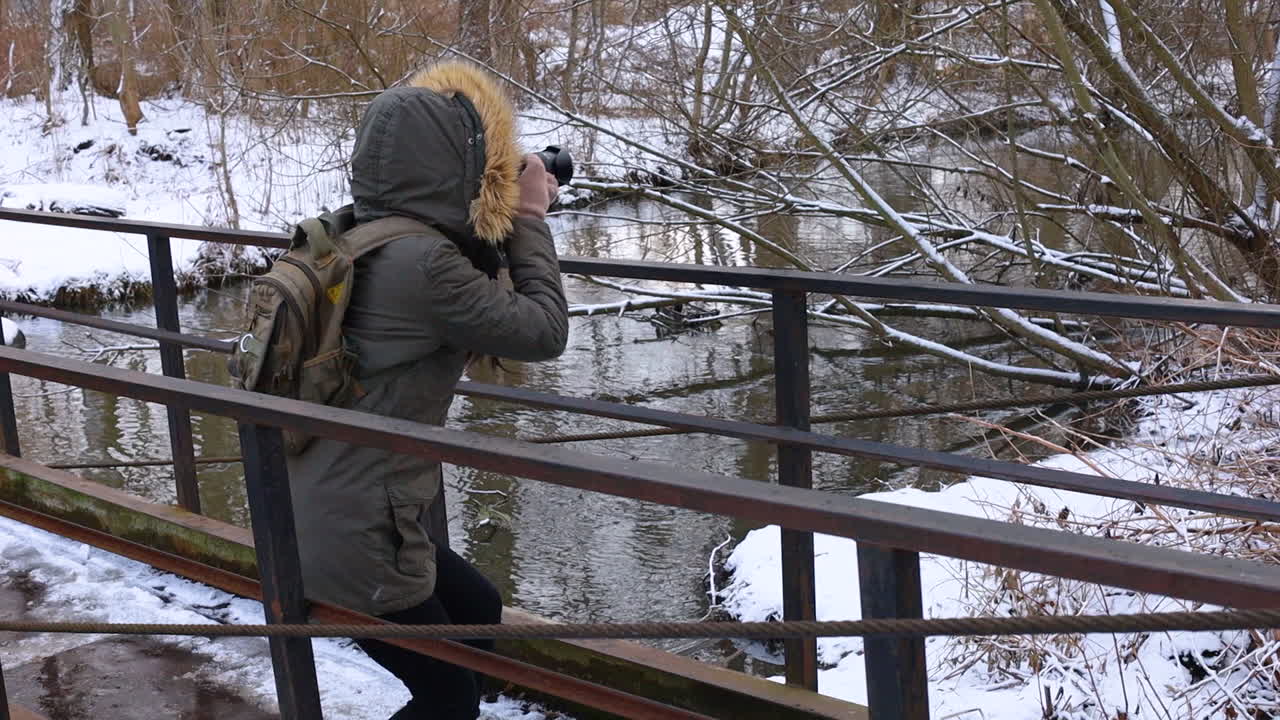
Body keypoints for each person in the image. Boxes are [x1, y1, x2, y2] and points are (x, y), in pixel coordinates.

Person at [285, 61, 569, 720]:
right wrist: (528, 215)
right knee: (448, 698)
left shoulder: (350, 232)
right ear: (457, 167)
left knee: (479, 610)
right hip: (361, 533)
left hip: (324, 507)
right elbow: (543, 330)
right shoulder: (424, 265)